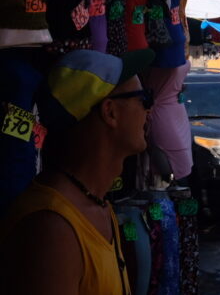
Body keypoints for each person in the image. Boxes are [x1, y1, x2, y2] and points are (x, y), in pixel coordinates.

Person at [0, 49, 155, 294]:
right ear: (110, 112)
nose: (149, 110)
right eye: (144, 99)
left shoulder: (98, 205)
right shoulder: (51, 230)